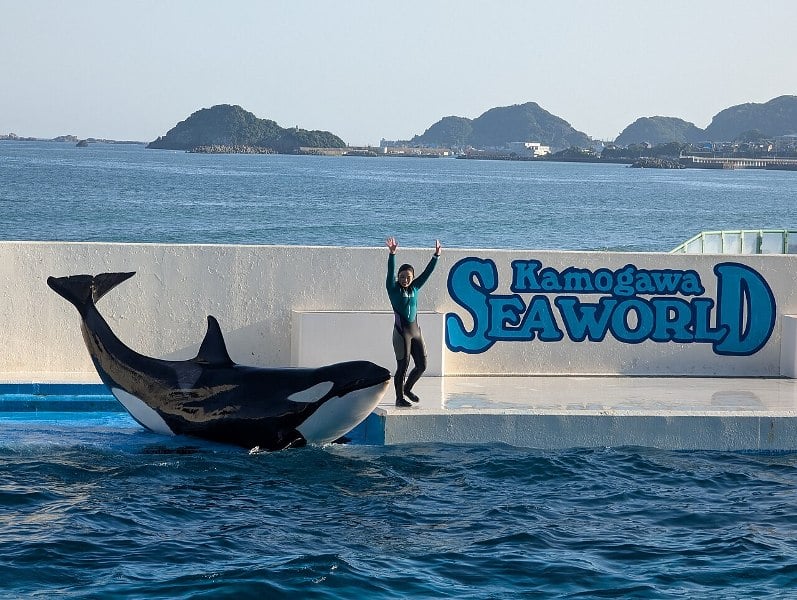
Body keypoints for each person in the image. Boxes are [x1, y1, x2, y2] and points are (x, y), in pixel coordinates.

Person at [385, 236, 441, 407]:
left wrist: (436, 256)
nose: (405, 279)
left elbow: (427, 273)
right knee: (403, 366)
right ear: (398, 277)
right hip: (401, 333)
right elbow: (390, 272)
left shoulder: (415, 287)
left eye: (408, 277)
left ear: (412, 277)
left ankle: (408, 389)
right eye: (402, 276)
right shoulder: (393, 288)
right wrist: (392, 254)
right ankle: (399, 397)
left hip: (416, 331)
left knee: (422, 365)